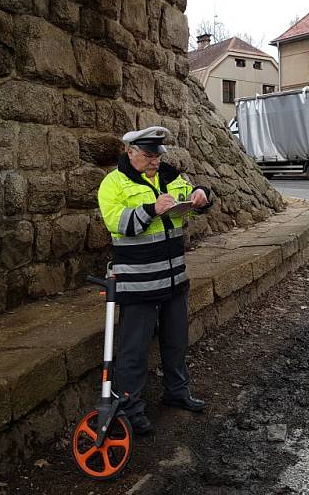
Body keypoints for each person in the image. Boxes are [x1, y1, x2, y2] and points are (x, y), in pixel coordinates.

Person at [97, 126, 214, 435]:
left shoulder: (168, 175)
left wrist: (202, 196)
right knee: (133, 351)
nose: (154, 162)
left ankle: (177, 392)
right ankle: (130, 408)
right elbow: (117, 223)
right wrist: (151, 209)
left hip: (174, 279)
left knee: (176, 342)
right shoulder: (113, 184)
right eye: (148, 156)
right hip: (139, 284)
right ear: (130, 152)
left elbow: (192, 196)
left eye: (157, 155)